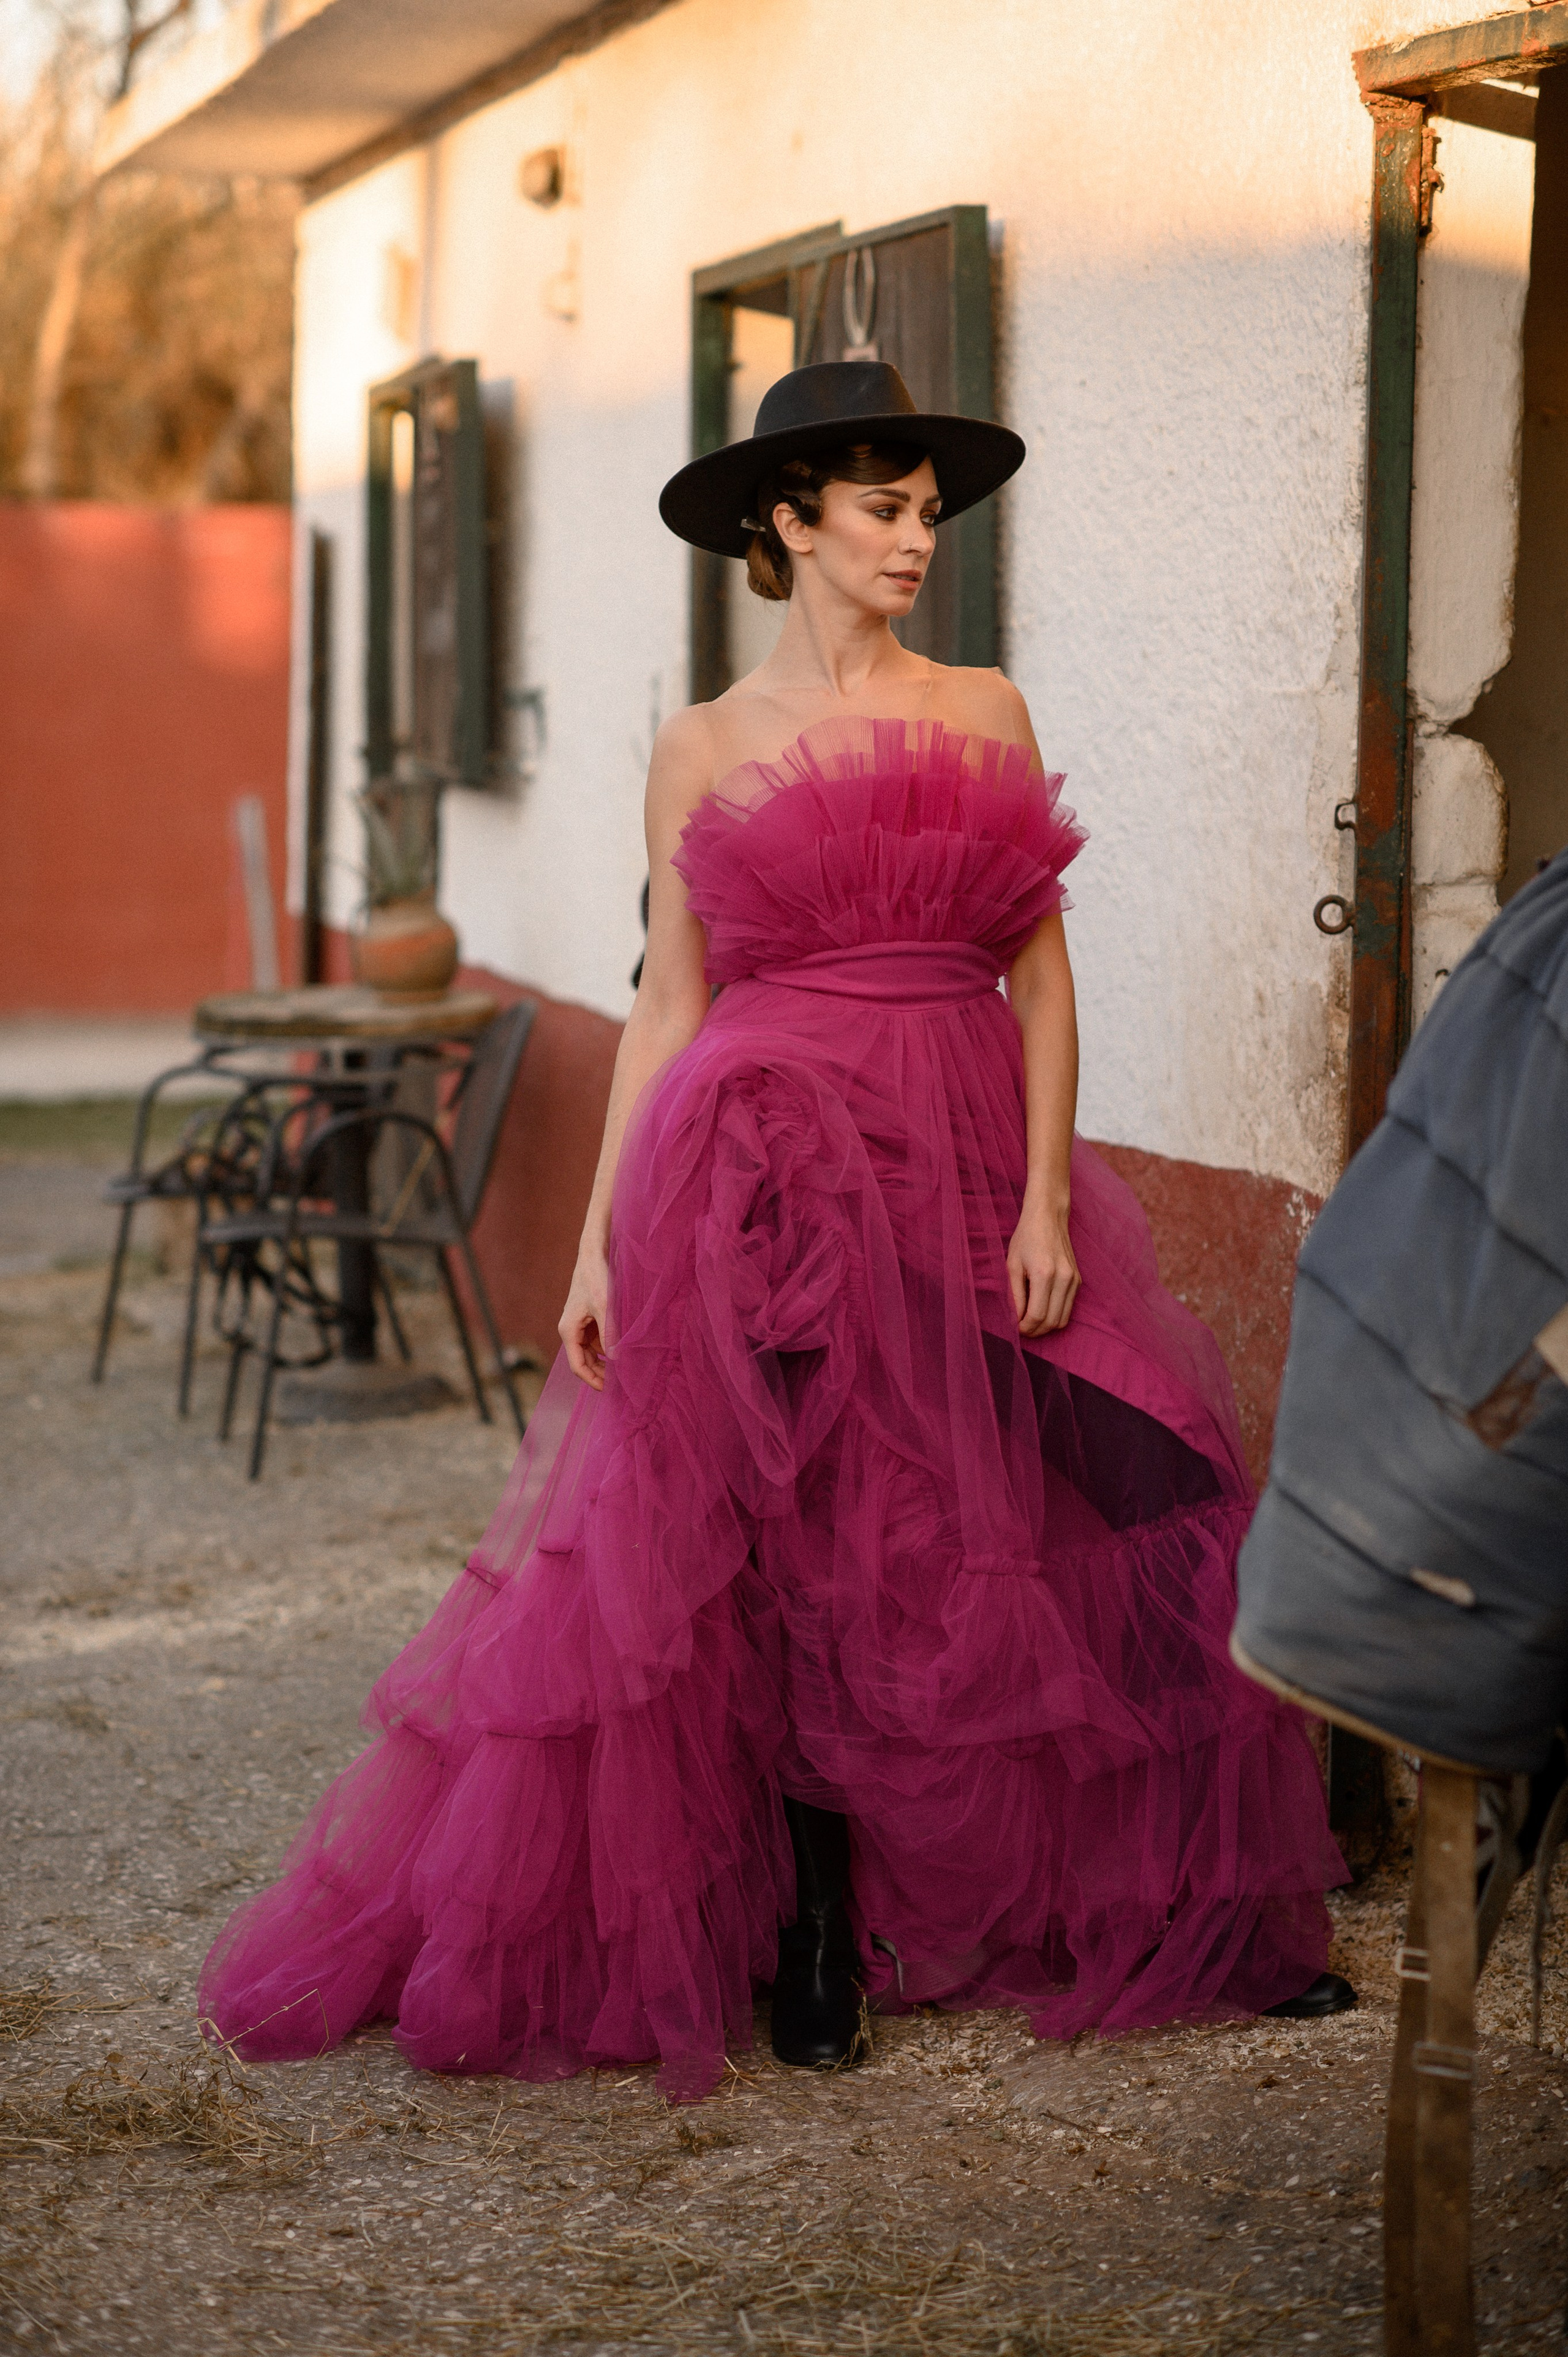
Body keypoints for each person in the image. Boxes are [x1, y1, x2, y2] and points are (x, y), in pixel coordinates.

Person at [200, 361, 1351, 2103]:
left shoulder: (986, 708)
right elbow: (667, 1007)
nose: (917, 540)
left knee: (1104, 1477)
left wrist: (1046, 1196)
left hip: (964, 1156)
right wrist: (594, 1248)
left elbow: (1042, 987)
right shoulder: (702, 746)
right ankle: (821, 1928)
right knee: (798, 1535)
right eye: (883, 509)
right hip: (760, 1170)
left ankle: (1175, 1899)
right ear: (788, 522)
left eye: (928, 511)